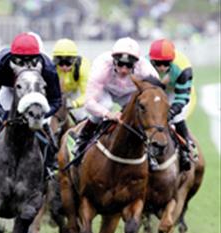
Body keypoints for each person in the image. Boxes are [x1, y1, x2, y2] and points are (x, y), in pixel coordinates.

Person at [0, 32, 62, 177]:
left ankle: (50, 162)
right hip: (8, 90)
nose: (26, 65)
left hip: (34, 91)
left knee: (43, 125)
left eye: (31, 61)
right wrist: (2, 113)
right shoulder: (0, 63)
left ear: (38, 58)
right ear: (12, 58)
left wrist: (43, 115)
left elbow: (56, 100)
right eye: (20, 61)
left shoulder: (48, 67)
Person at [73, 37, 159, 166]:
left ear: (136, 63)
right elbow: (89, 102)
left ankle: (148, 151)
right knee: (105, 106)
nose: (124, 70)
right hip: (105, 92)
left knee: (140, 113)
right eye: (120, 64)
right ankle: (83, 138)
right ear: (114, 61)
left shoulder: (146, 69)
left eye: (129, 65)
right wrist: (109, 114)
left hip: (129, 94)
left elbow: (156, 94)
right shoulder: (101, 67)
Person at [149, 39, 195, 171]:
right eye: (157, 63)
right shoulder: (144, 64)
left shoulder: (183, 67)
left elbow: (182, 97)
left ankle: (186, 147)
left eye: (166, 63)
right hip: (158, 91)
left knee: (176, 118)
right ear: (151, 60)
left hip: (176, 92)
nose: (162, 67)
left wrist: (171, 112)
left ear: (172, 60)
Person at [52, 38, 90, 122]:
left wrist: (74, 104)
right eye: (60, 63)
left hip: (74, 91)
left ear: (74, 60)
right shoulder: (51, 67)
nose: (64, 67)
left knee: (80, 115)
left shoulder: (83, 68)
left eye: (68, 63)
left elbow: (87, 94)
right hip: (57, 92)